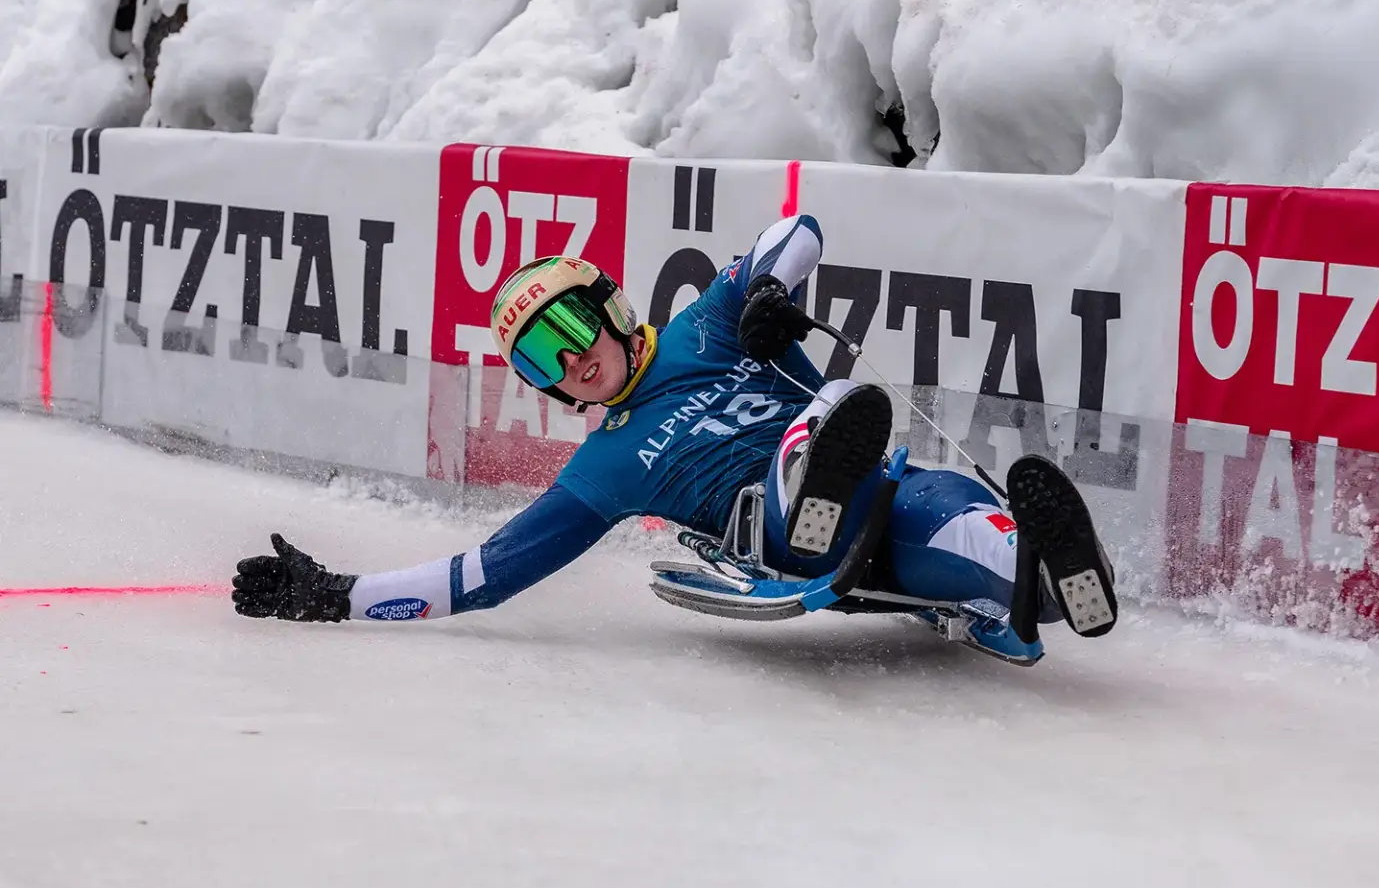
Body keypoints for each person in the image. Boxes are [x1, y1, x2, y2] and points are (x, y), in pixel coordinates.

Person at [231, 214, 1117, 650]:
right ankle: (813, 480)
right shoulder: (604, 468)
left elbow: (796, 232)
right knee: (823, 424)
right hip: (784, 536)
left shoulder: (708, 324)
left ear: (612, 308)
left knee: (964, 525)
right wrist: (337, 594)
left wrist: (768, 297)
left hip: (891, 499)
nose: (568, 360)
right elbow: (484, 574)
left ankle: (1055, 575)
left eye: (571, 329)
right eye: (541, 358)